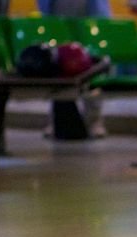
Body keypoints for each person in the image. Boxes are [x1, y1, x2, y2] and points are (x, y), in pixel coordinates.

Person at [36, 0, 111, 138]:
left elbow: (99, 11)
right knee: (57, 62)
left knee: (92, 67)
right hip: (57, 14)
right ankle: (57, 120)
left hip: (88, 16)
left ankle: (94, 120)